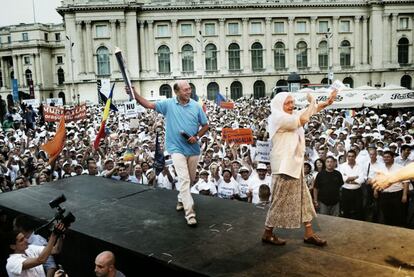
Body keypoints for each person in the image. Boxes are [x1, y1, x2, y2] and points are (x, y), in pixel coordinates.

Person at [128, 80, 209, 226]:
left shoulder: (197, 106)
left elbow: (206, 125)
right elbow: (149, 105)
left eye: (190, 89)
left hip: (193, 149)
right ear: (177, 92)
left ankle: (180, 199)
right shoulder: (169, 104)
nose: (189, 91)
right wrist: (135, 94)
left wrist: (196, 137)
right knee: (184, 180)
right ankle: (190, 213)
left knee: (190, 180)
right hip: (175, 148)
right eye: (185, 90)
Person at [263, 89, 336, 246]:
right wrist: (312, 101)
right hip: (284, 166)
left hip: (294, 164)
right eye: (287, 103)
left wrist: (325, 103)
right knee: (279, 201)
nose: (291, 105)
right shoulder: (277, 117)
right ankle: (267, 233)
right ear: (278, 104)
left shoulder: (289, 115)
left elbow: (311, 111)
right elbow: (303, 118)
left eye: (292, 102)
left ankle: (309, 233)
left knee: (304, 198)